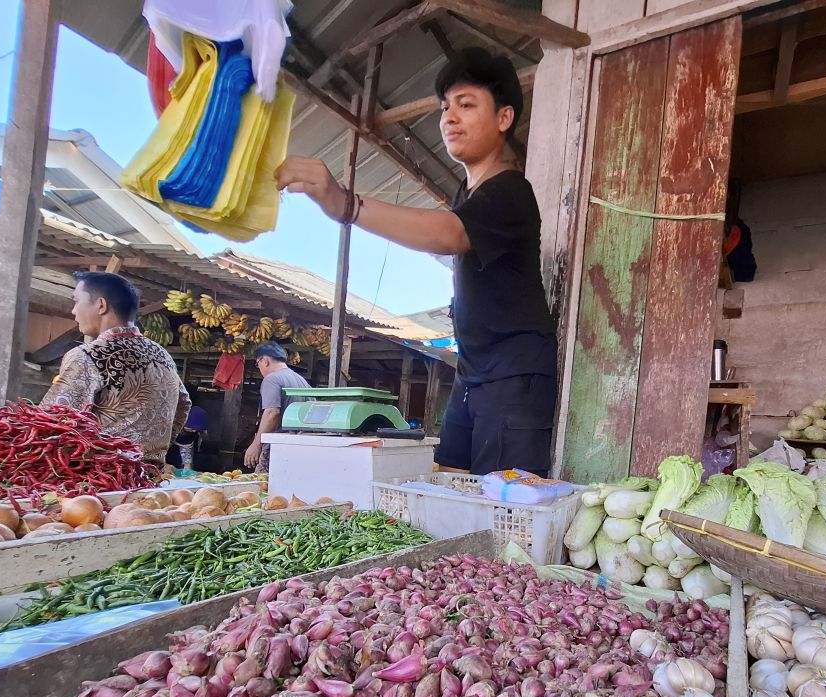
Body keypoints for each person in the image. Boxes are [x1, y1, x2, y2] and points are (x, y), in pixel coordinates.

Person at [275, 47, 557, 476]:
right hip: (471, 374)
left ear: (504, 118)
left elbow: (447, 235)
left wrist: (345, 205)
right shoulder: (470, 196)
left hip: (513, 377)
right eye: (446, 108)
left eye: (466, 105)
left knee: (505, 504)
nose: (449, 118)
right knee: (449, 478)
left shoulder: (510, 190)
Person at [43, 272, 191, 466]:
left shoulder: (88, 356)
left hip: (99, 483)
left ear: (101, 305)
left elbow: (50, 424)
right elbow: (183, 405)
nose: (73, 311)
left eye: (77, 301)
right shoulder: (163, 356)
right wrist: (153, 451)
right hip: (150, 481)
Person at [244, 341, 311, 471]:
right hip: (300, 447)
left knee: (265, 486)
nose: (260, 369)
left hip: (278, 447)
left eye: (258, 364)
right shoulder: (301, 380)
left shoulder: (272, 379)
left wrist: (256, 444)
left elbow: (272, 413)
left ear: (265, 361)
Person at [166, 385, 208, 469]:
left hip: (175, 461)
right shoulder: (169, 428)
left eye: (196, 430)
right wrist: (164, 465)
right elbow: (157, 450)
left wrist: (187, 466)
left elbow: (186, 450)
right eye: (192, 428)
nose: (193, 431)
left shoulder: (189, 435)